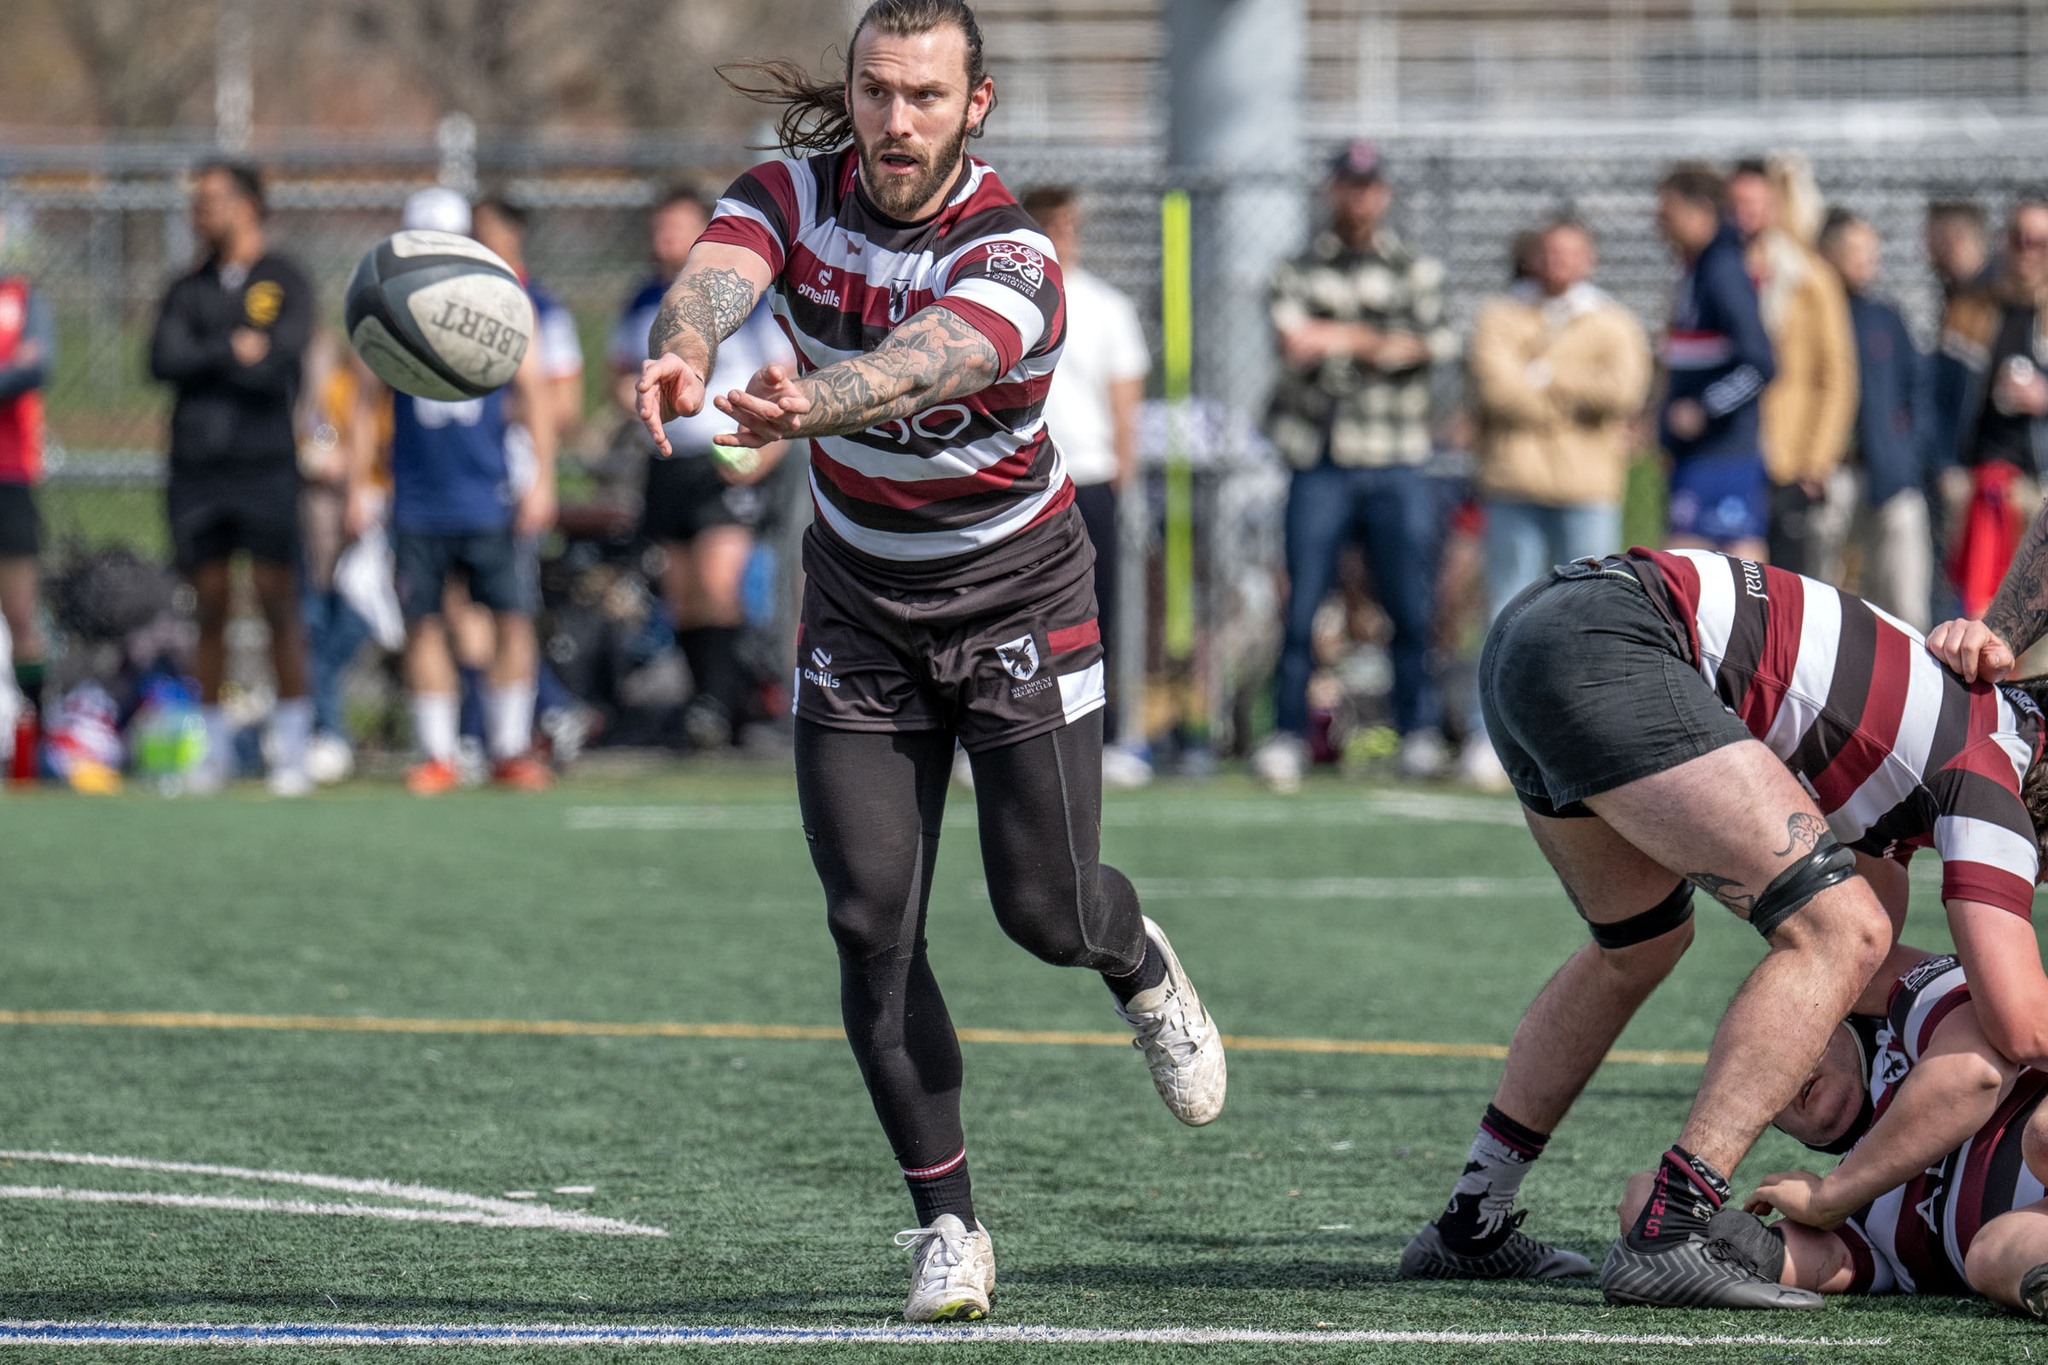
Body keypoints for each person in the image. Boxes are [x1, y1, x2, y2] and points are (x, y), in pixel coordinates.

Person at [636, 0, 1225, 1322]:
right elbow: (720, 268)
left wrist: (813, 400)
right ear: (850, 90)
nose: (894, 120)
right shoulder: (795, 190)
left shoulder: (1013, 254)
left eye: (924, 96)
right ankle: (948, 1225)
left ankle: (1134, 958)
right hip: (859, 604)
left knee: (1045, 911)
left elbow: (924, 362)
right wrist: (683, 345)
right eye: (875, 91)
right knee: (867, 923)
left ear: (976, 104)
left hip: (1016, 594)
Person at [1397, 546, 2048, 1308]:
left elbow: (1858, 981)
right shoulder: (1992, 763)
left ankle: (1473, 1218)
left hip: (1541, 631)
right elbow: (2019, 1025)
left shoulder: (1921, 765)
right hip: (1621, 639)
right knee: (1843, 932)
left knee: (1639, 946)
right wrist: (1837, 1187)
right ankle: (1674, 1226)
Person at [1251, 139, 1459, 792]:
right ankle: (1287, 732)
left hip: (1396, 456)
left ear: (1383, 193)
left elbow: (1432, 344)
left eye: (1368, 187)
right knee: (1304, 603)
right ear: (1332, 191)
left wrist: (1340, 336)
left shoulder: (1415, 268)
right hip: (1323, 458)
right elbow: (1294, 343)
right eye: (1349, 186)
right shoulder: (1298, 268)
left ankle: (1417, 728)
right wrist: (1381, 342)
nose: (1359, 199)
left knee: (1410, 604)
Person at [1700, 947, 2048, 1316]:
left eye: (1785, 1049)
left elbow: (1975, 1074)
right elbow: (1798, 1258)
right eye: (1759, 1088)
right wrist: (1707, 1233)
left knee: (2042, 1139)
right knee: (1991, 1254)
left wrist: (1829, 1197)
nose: (1783, 1078)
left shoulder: (1911, 1010)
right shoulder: (1858, 1215)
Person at [346, 187, 557, 794]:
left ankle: (509, 749)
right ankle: (437, 753)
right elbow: (363, 403)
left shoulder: (501, 296)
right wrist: (360, 483)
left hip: (488, 490)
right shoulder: (387, 301)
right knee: (424, 623)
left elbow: (535, 392)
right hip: (417, 495)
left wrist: (542, 478)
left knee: (513, 618)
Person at [148, 160, 316, 795]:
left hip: (265, 467)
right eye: (196, 200)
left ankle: (292, 751)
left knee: (277, 601)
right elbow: (163, 359)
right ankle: (212, 752)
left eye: (212, 199)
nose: (200, 211)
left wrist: (211, 355)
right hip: (197, 471)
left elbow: (280, 362)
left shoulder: (285, 279)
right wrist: (230, 348)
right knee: (210, 605)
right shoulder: (186, 286)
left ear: (248, 205)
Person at [1464, 217, 1651, 784]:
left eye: (1571, 252)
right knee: (1503, 609)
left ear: (1590, 258)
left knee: (1588, 613)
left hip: (1587, 487)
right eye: (1549, 251)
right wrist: (1574, 394)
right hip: (1513, 482)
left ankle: (1584, 735)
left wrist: (1543, 376)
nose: (1559, 262)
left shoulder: (1613, 321)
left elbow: (1623, 392)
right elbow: (1497, 391)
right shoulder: (1500, 316)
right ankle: (1488, 734)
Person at [608, 186, 794, 750]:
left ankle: (728, 703)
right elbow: (619, 375)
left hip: (725, 457)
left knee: (718, 581)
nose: (666, 238)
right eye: (659, 227)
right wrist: (636, 395)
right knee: (683, 591)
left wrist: (764, 451)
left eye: (677, 227)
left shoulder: (742, 299)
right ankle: (703, 705)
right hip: (670, 460)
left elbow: (784, 377)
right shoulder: (643, 299)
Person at [1018, 184, 1151, 788]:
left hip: (1088, 479)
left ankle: (1107, 734)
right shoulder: (1000, 299)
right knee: (1016, 614)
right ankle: (1009, 735)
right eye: (1051, 224)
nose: (1063, 237)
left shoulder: (1106, 307)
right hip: (1020, 479)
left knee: (1096, 611)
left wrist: (1126, 482)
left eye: (1069, 225)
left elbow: (1125, 405)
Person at [469, 192, 594, 763]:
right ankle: (496, 726)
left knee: (505, 607)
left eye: (486, 230)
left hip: (511, 478)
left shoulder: (539, 305)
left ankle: (548, 711)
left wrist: (499, 408)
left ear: (513, 235)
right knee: (464, 609)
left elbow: (564, 405)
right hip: (458, 477)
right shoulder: (456, 300)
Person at [1727, 156, 1859, 577]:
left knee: (1784, 585)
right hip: (1727, 452)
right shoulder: (1717, 271)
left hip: (1785, 458)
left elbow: (1835, 376)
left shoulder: (1810, 280)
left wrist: (1816, 459)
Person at [1810, 210, 1932, 630]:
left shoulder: (1886, 317)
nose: (1868, 259)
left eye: (1871, 250)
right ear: (1829, 252)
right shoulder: (1811, 314)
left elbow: (1917, 389)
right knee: (1820, 597)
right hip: (1830, 474)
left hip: (1891, 476)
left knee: (1905, 601)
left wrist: (1905, 453)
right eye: (1856, 250)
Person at [1930, 200, 2048, 624]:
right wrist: (1945, 469)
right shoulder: (1972, 309)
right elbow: (1936, 394)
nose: (2027, 251)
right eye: (2019, 239)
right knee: (1967, 616)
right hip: (1973, 486)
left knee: (2031, 624)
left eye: (2038, 243)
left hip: (2036, 490)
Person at [1653, 164, 1776, 562]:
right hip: (1696, 455)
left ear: (1700, 211)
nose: (1660, 224)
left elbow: (1761, 365)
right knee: (1688, 566)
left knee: (1720, 567)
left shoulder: (1723, 271)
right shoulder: (1696, 271)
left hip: (1725, 453)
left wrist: (1703, 409)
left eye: (1669, 212)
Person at [0, 213, 53, 744]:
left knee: (20, 611)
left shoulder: (22, 298)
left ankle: (32, 739)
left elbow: (36, 366)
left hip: (10, 474)